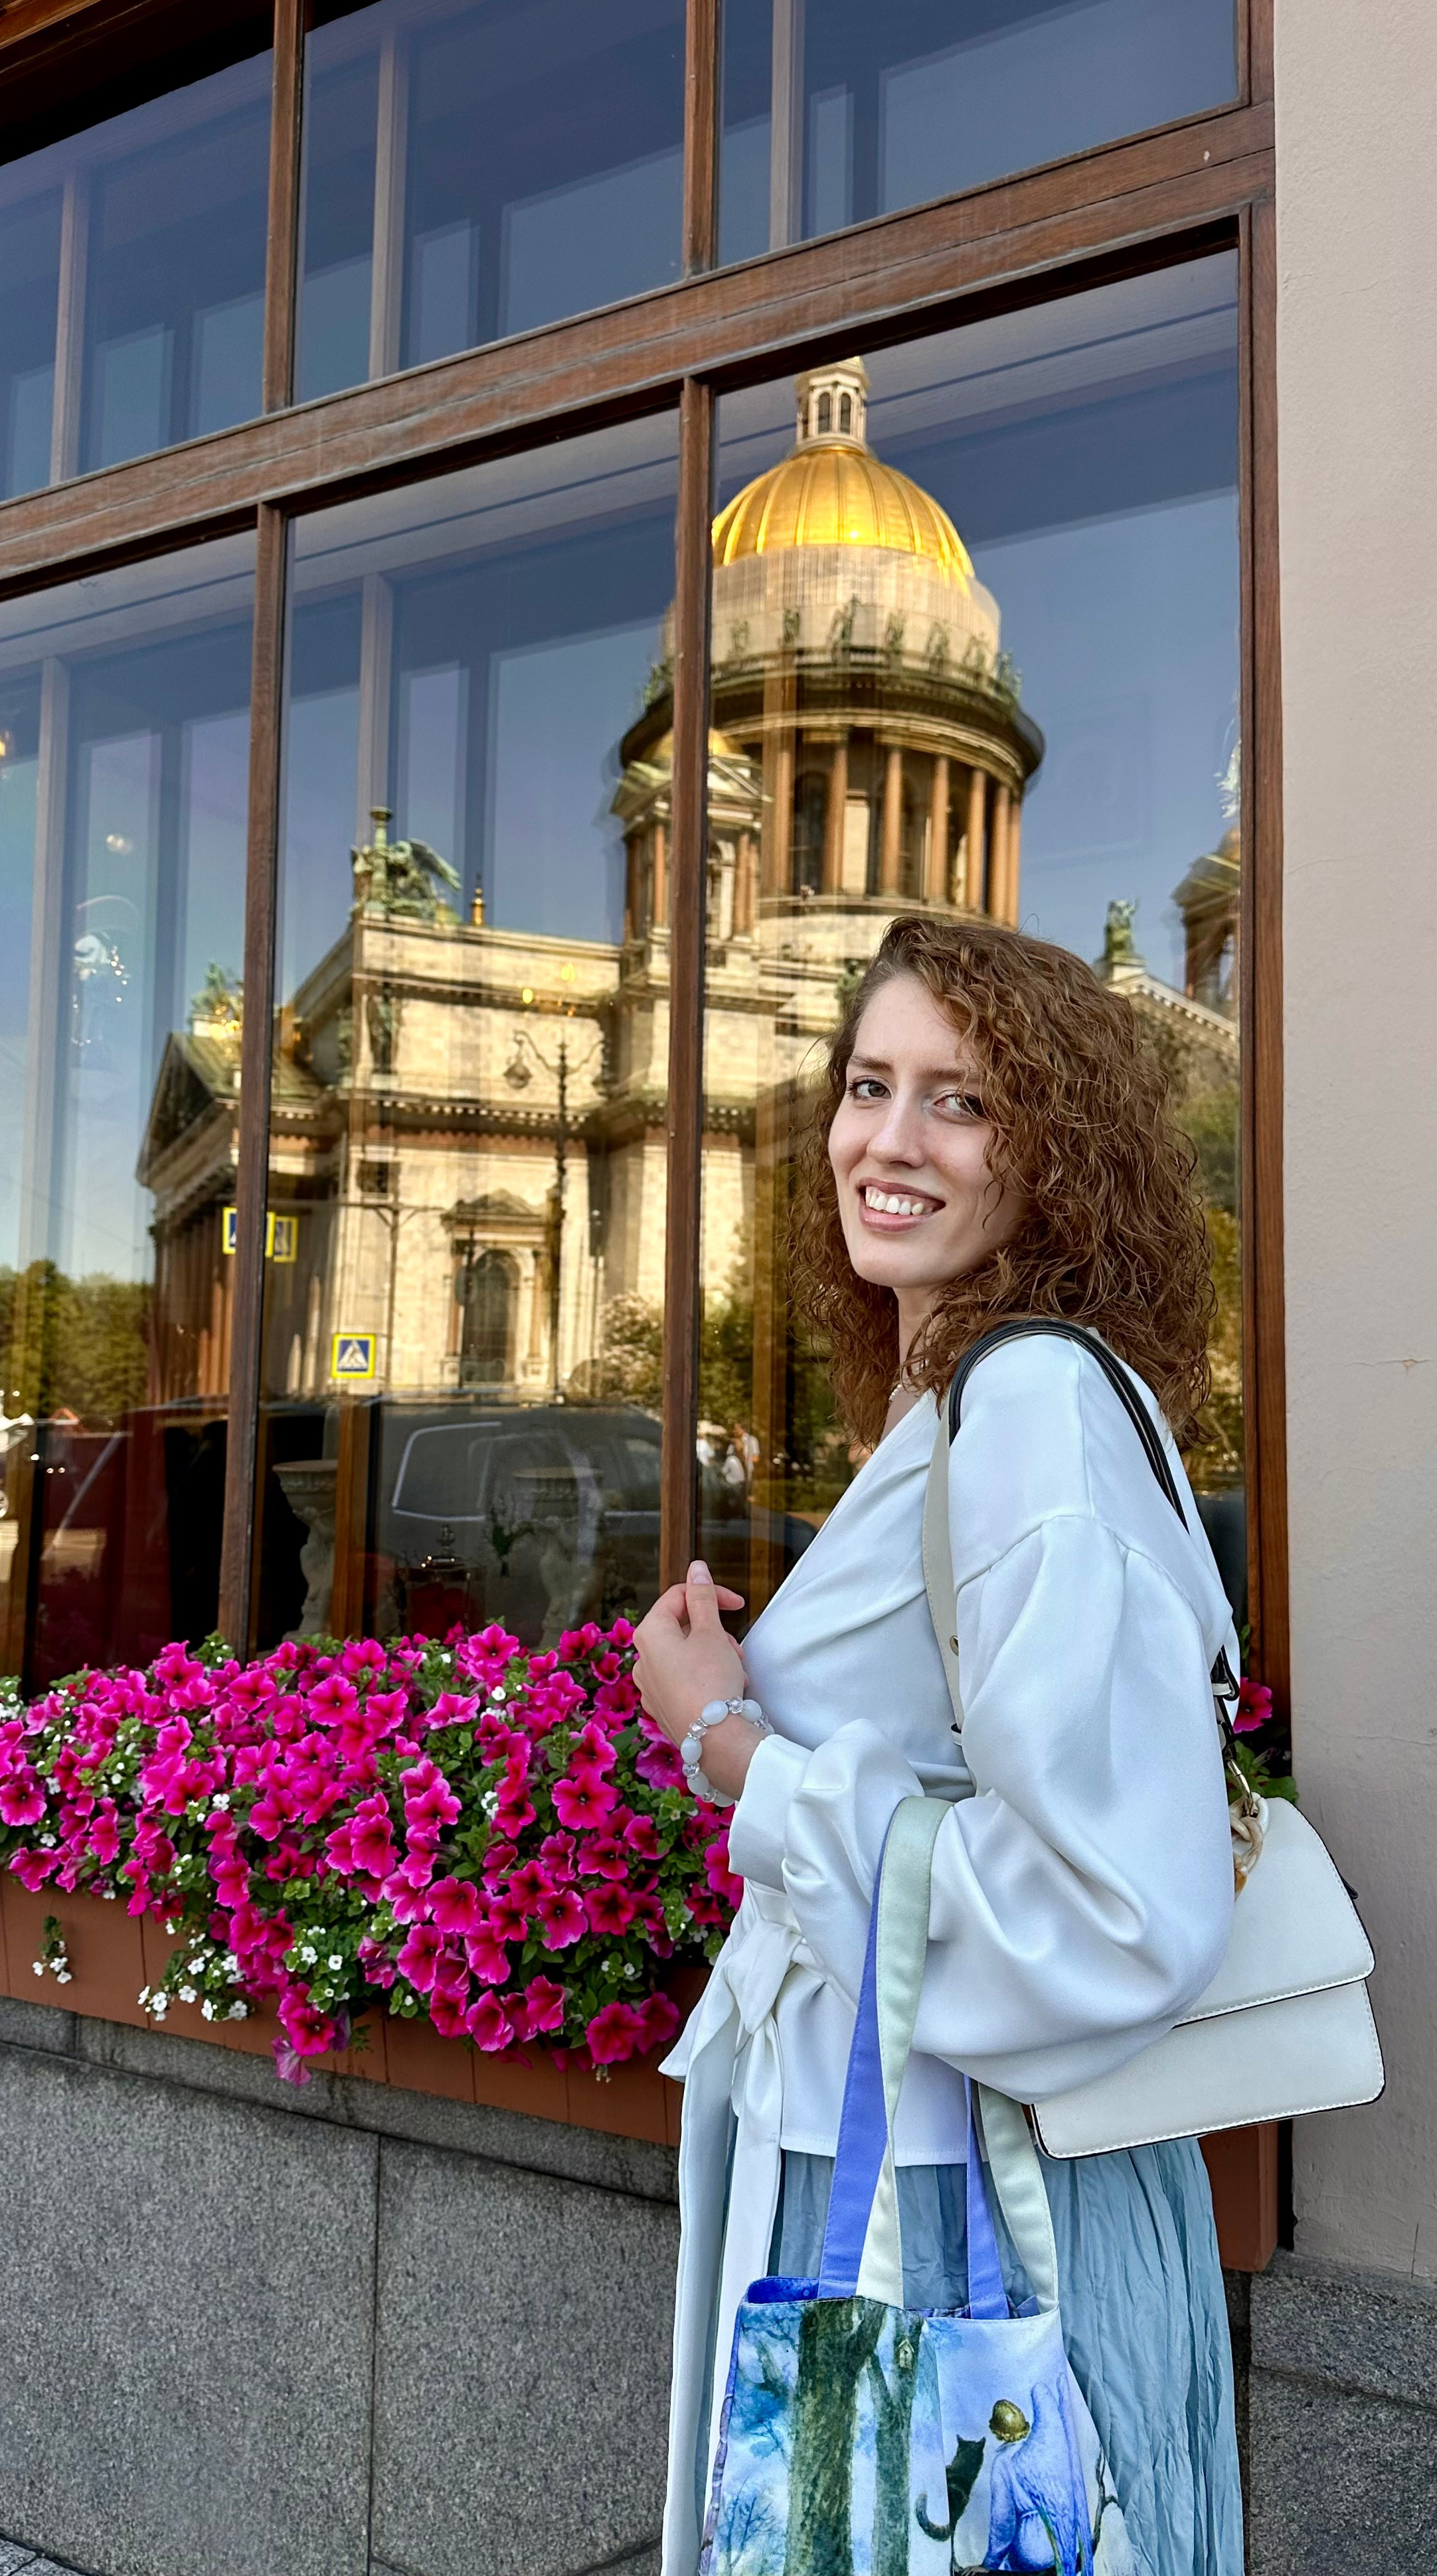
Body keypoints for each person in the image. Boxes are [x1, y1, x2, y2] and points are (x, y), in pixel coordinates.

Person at [634, 914, 1244, 2576]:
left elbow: (1110, 1909)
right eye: (866, 1086)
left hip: (960, 2213)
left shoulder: (1033, 1407)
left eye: (960, 1103)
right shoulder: (965, 1394)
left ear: (1055, 1157)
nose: (887, 1143)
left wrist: (734, 1748)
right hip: (903, 2162)